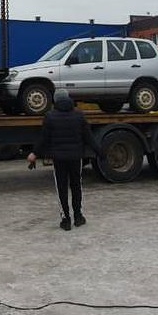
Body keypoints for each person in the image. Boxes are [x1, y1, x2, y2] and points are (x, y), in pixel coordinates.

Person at [27, 89, 105, 231]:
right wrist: (100, 152)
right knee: (76, 186)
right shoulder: (79, 115)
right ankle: (78, 216)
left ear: (55, 101)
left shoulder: (50, 116)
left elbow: (43, 138)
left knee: (61, 188)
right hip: (75, 157)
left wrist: (34, 153)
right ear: (68, 99)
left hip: (59, 159)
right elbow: (89, 137)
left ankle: (66, 220)